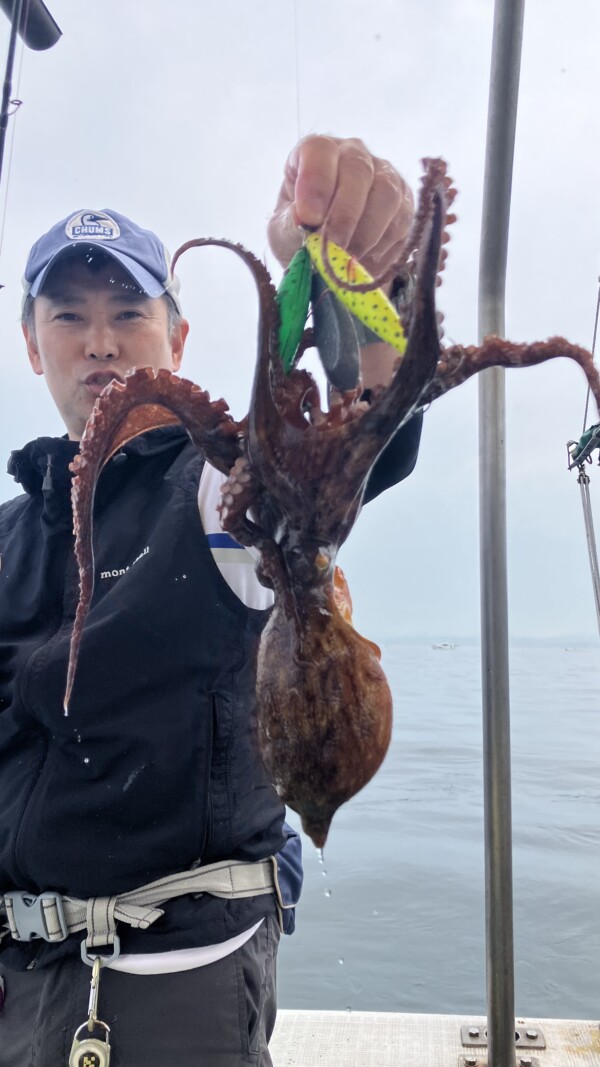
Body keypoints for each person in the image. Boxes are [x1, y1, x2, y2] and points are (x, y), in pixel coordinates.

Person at [0, 135, 421, 1067]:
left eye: (128, 311)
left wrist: (354, 278)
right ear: (32, 346)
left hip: (172, 987)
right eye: (68, 315)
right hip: (18, 983)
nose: (101, 339)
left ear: (177, 338)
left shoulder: (217, 498)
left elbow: (366, 432)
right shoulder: (9, 536)